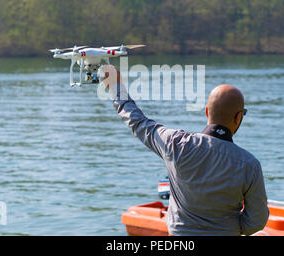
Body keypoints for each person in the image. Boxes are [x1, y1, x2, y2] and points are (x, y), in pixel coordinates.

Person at [102, 65, 269, 236]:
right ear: (238, 117)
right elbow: (256, 221)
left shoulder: (176, 144)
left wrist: (116, 87)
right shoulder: (249, 165)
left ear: (206, 112)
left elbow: (137, 122)